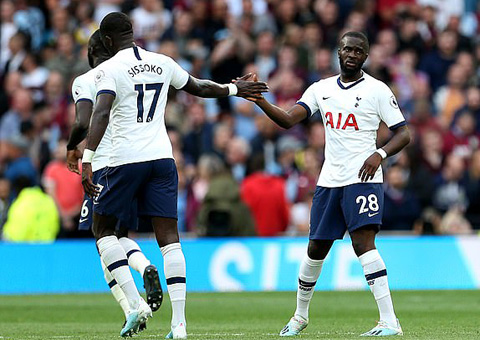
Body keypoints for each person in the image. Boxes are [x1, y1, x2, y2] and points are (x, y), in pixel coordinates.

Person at [80, 12, 268, 338]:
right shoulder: (161, 61)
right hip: (163, 159)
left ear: (107, 41)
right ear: (131, 31)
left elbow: (101, 110)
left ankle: (135, 305)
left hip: (123, 160)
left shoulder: (107, 69)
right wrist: (234, 89)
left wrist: (87, 158)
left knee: (105, 231)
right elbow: (198, 87)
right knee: (169, 239)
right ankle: (179, 324)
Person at [245, 31, 410, 337]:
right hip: (330, 180)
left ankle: (389, 321)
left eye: (358, 51)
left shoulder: (377, 90)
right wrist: (259, 101)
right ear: (338, 51)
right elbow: (288, 119)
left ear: (366, 56)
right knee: (315, 249)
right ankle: (299, 316)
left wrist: (379, 153)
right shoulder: (320, 89)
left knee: (363, 244)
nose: (351, 54)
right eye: (347, 48)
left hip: (363, 177)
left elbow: (403, 133)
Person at [66, 30, 159, 333]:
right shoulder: (128, 74)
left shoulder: (86, 81)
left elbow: (83, 122)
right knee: (118, 236)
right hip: (132, 165)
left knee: (102, 238)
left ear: (92, 52)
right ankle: (144, 267)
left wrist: (72, 148)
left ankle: (133, 305)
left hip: (102, 168)